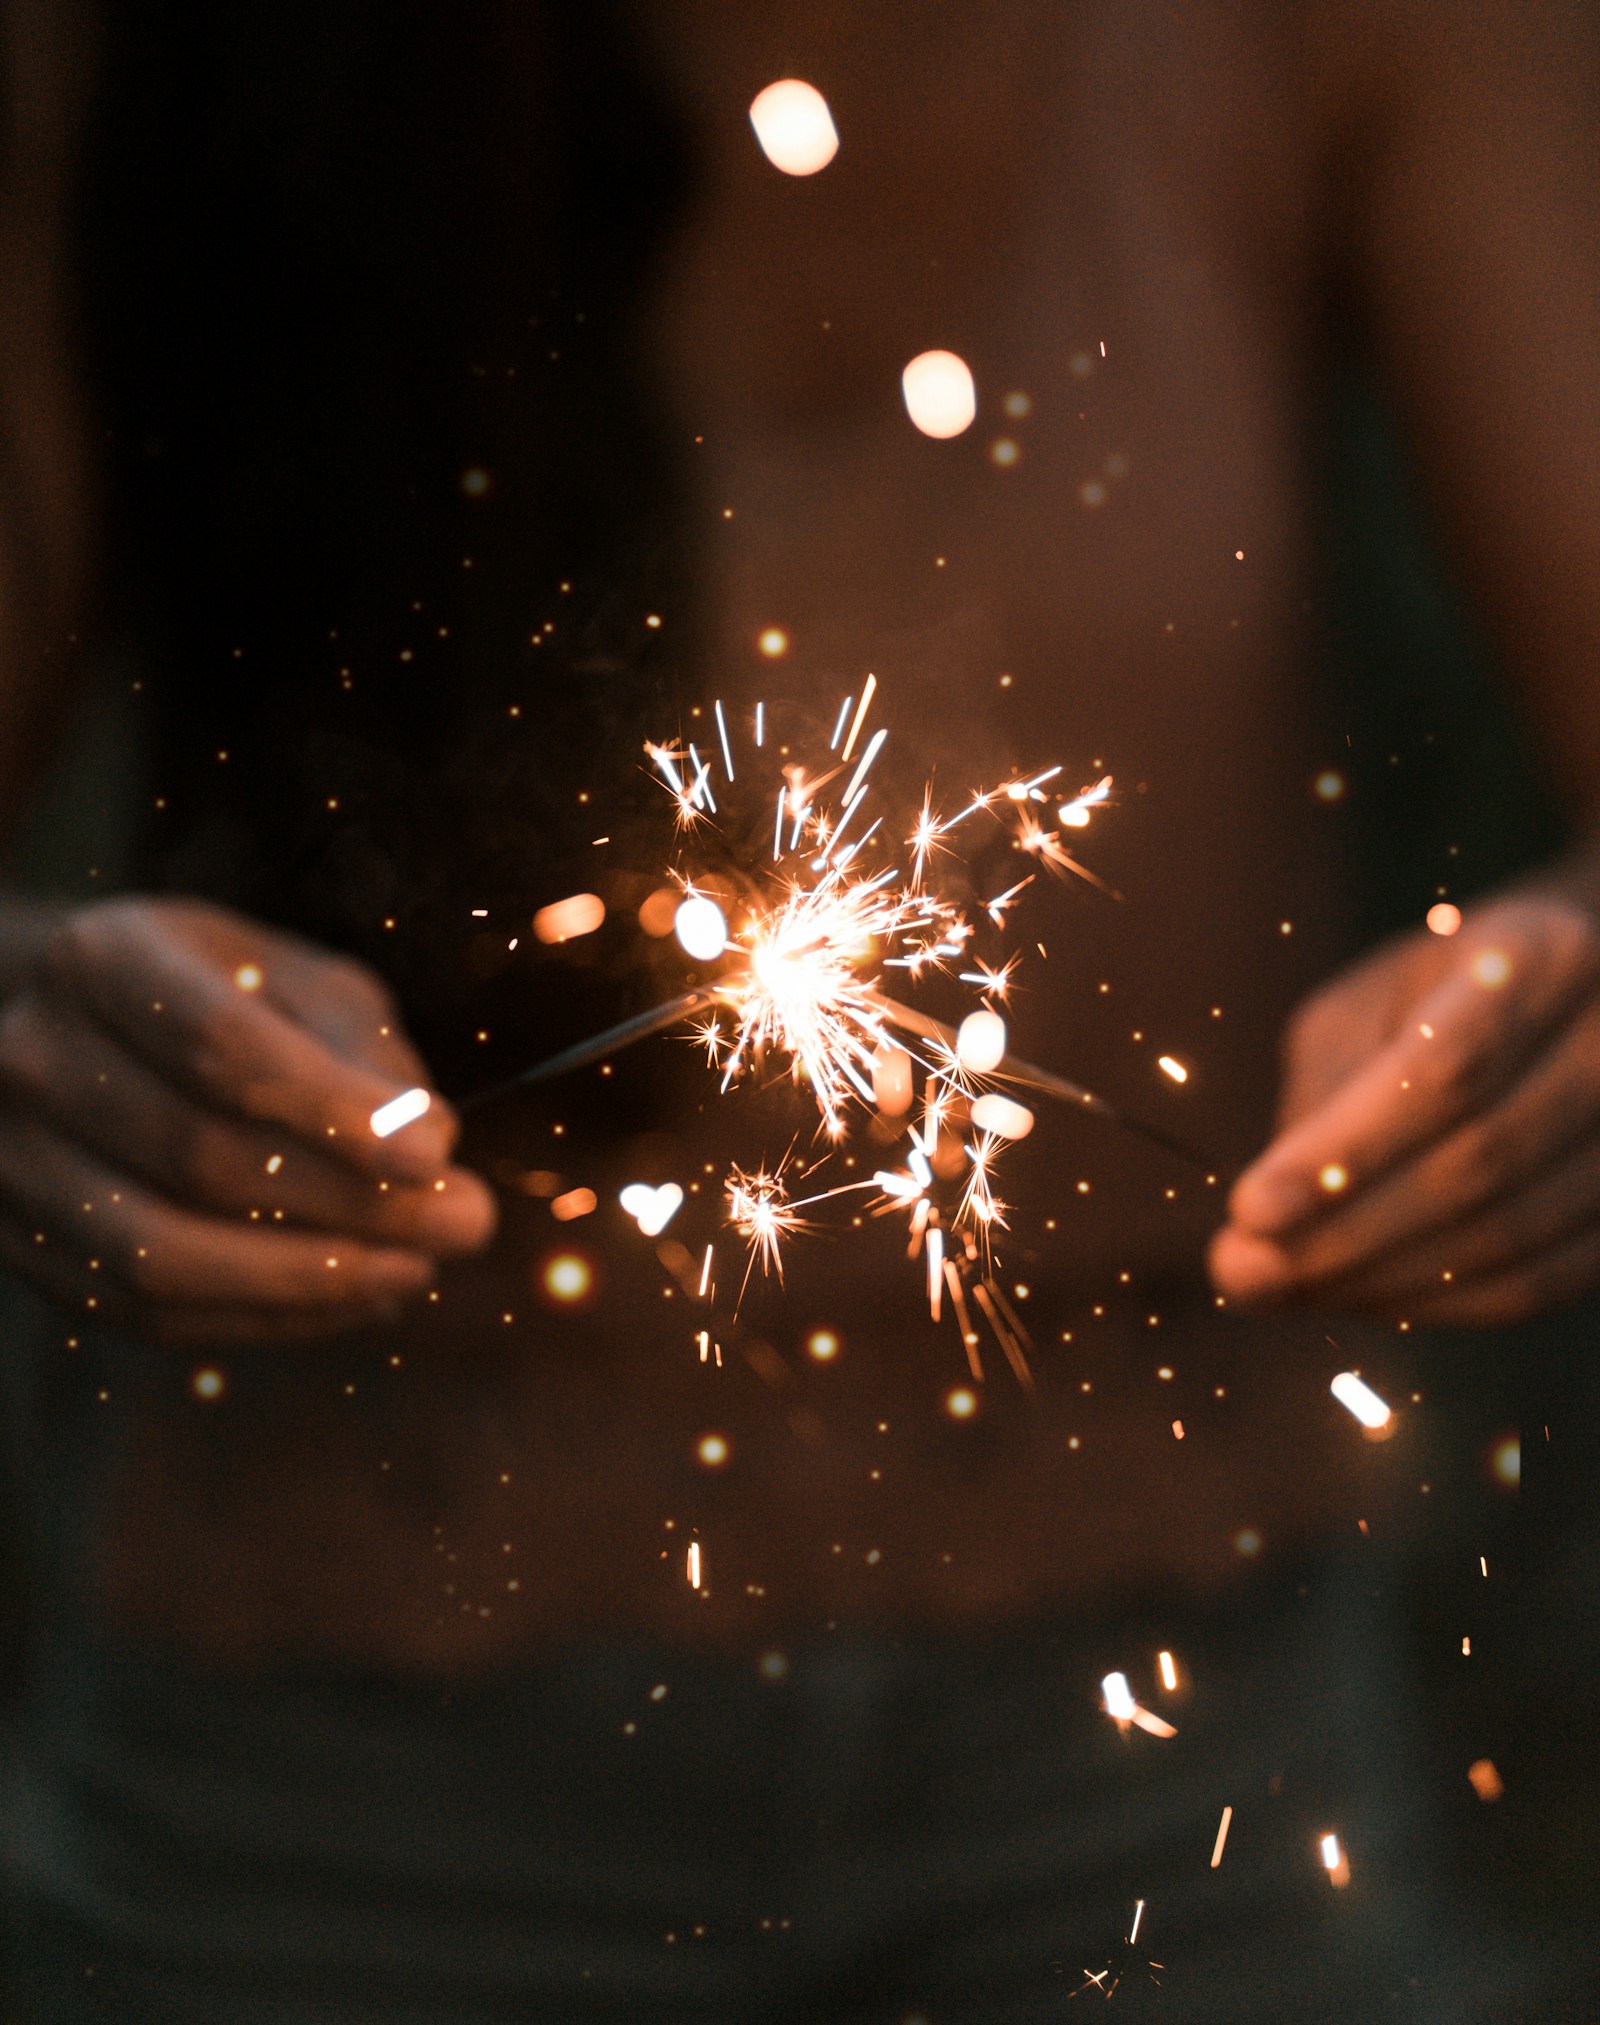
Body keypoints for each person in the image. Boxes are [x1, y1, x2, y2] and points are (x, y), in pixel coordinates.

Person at [0, 1, 1595, 2018]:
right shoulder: (111, 51)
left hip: (1168, 1751)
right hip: (323, 1774)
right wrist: (36, 1021)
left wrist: (1563, 1001)